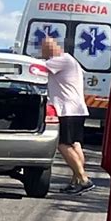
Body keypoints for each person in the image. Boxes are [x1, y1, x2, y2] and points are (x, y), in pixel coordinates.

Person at [42, 37, 95, 195]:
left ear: (53, 48)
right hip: (77, 109)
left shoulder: (60, 60)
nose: (42, 52)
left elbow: (37, 68)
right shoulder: (70, 60)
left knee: (63, 144)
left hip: (67, 109)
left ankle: (83, 178)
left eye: (44, 48)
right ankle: (76, 180)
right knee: (75, 144)